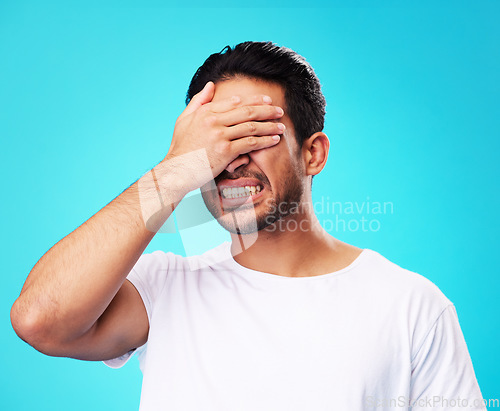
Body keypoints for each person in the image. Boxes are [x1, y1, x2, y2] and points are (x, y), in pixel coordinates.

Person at [11, 41, 486, 410]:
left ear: (313, 153)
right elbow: (39, 320)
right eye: (215, 142)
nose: (231, 162)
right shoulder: (165, 289)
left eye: (252, 135)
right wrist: (174, 170)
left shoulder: (411, 307)